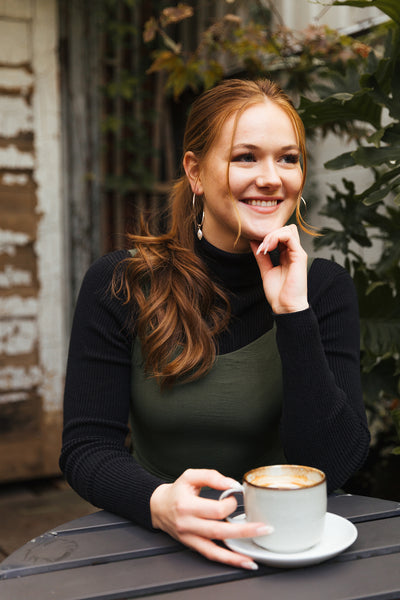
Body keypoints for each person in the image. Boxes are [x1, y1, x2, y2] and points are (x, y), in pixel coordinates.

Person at [60, 78, 370, 571]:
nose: (271, 178)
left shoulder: (323, 288)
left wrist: (293, 313)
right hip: (155, 541)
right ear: (195, 171)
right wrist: (157, 503)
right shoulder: (121, 282)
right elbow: (85, 448)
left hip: (285, 548)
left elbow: (333, 465)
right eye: (246, 157)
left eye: (288, 159)